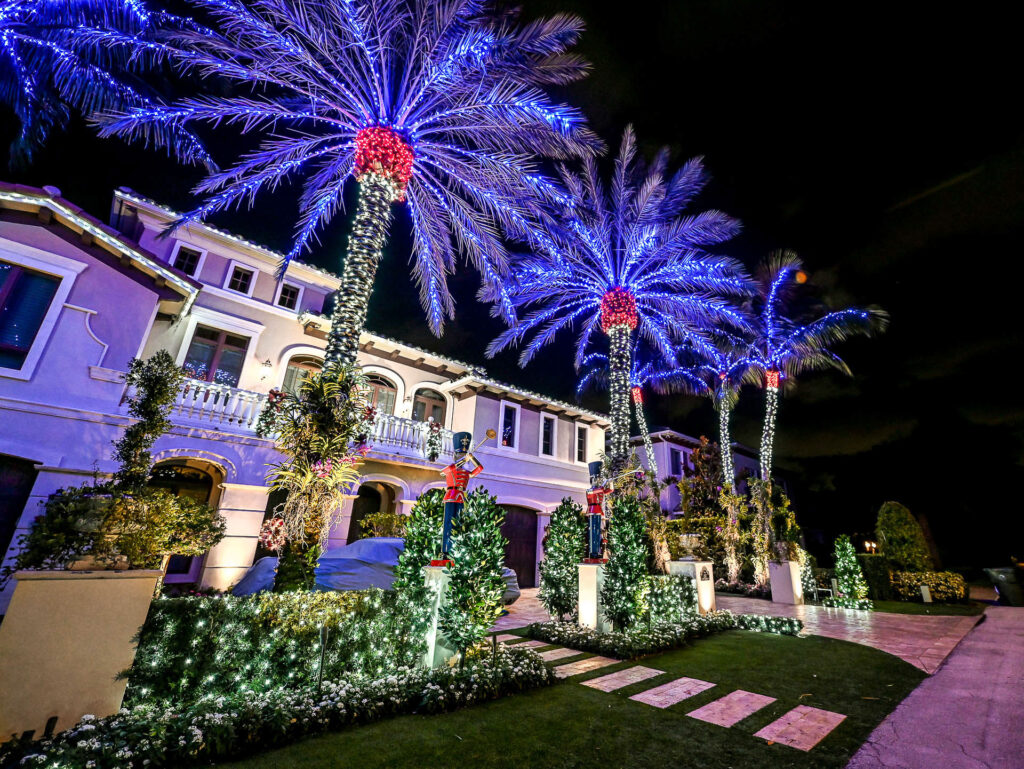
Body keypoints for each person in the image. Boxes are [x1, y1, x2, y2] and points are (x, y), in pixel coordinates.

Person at [434, 431, 483, 565]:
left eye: (464, 454)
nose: (462, 456)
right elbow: (443, 472)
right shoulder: (452, 467)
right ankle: (445, 552)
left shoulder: (467, 472)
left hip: (461, 497)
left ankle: (456, 550)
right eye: (460, 454)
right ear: (455, 455)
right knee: (448, 524)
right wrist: (463, 461)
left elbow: (479, 468)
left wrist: (472, 458)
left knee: (459, 525)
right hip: (451, 497)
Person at [585, 460, 612, 562]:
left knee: (598, 532)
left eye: (599, 479)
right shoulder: (589, 490)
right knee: (593, 532)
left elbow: (610, 490)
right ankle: (593, 553)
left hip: (599, 511)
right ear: (592, 480)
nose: (598, 481)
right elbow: (597, 490)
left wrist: (610, 482)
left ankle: (598, 552)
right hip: (592, 511)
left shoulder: (600, 488)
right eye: (596, 479)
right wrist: (603, 484)